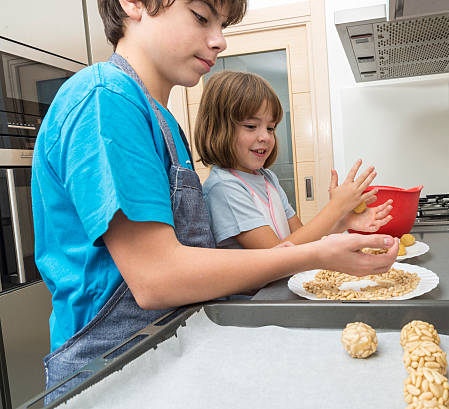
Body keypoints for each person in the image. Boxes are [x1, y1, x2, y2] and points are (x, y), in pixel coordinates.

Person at [30, 0, 399, 402]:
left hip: (169, 350)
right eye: (202, 17)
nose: (219, 40)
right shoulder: (104, 101)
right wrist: (317, 254)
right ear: (133, 4)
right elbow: (157, 278)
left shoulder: (160, 118)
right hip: (112, 369)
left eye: (222, 24)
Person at [195, 71, 394, 249]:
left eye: (271, 128)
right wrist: (336, 207)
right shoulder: (225, 188)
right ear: (219, 129)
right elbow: (276, 257)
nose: (265, 136)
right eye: (250, 126)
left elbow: (302, 241)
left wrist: (343, 221)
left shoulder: (268, 178)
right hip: (259, 292)